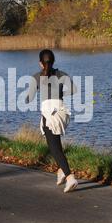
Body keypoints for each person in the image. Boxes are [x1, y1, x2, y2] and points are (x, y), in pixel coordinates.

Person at [26, 49, 78, 193]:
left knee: (54, 148)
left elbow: (28, 98)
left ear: (40, 63)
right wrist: (60, 93)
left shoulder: (36, 77)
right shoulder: (62, 74)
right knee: (56, 144)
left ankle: (70, 177)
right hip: (62, 112)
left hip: (49, 114)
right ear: (53, 61)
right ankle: (61, 171)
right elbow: (74, 90)